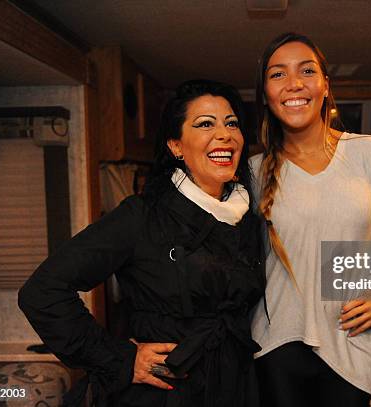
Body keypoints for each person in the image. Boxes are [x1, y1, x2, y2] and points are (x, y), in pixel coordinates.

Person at [19, 80, 265, 407]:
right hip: (164, 392)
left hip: (234, 386)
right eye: (205, 124)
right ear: (176, 146)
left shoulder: (248, 217)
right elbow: (43, 291)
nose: (224, 134)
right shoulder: (143, 215)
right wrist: (120, 359)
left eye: (231, 123)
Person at [249, 32, 371, 407]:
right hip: (276, 345)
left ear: (325, 84)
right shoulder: (253, 171)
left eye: (306, 70)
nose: (294, 83)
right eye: (277, 74)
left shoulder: (369, 153)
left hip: (353, 342)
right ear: (265, 94)